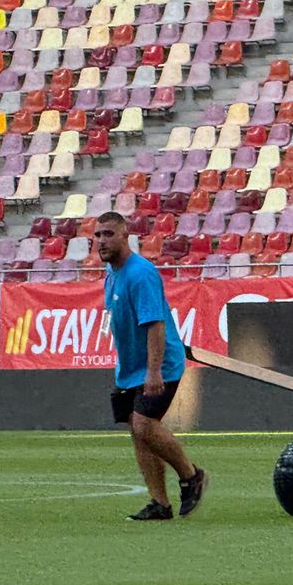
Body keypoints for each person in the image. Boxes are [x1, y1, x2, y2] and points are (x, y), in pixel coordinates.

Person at [95, 212, 208, 521]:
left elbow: (155, 324)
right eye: (97, 235)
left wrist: (154, 371)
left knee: (145, 425)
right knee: (137, 431)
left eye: (108, 234)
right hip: (131, 368)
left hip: (161, 365)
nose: (101, 241)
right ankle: (160, 503)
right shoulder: (112, 272)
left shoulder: (140, 274)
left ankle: (191, 475)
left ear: (124, 235)